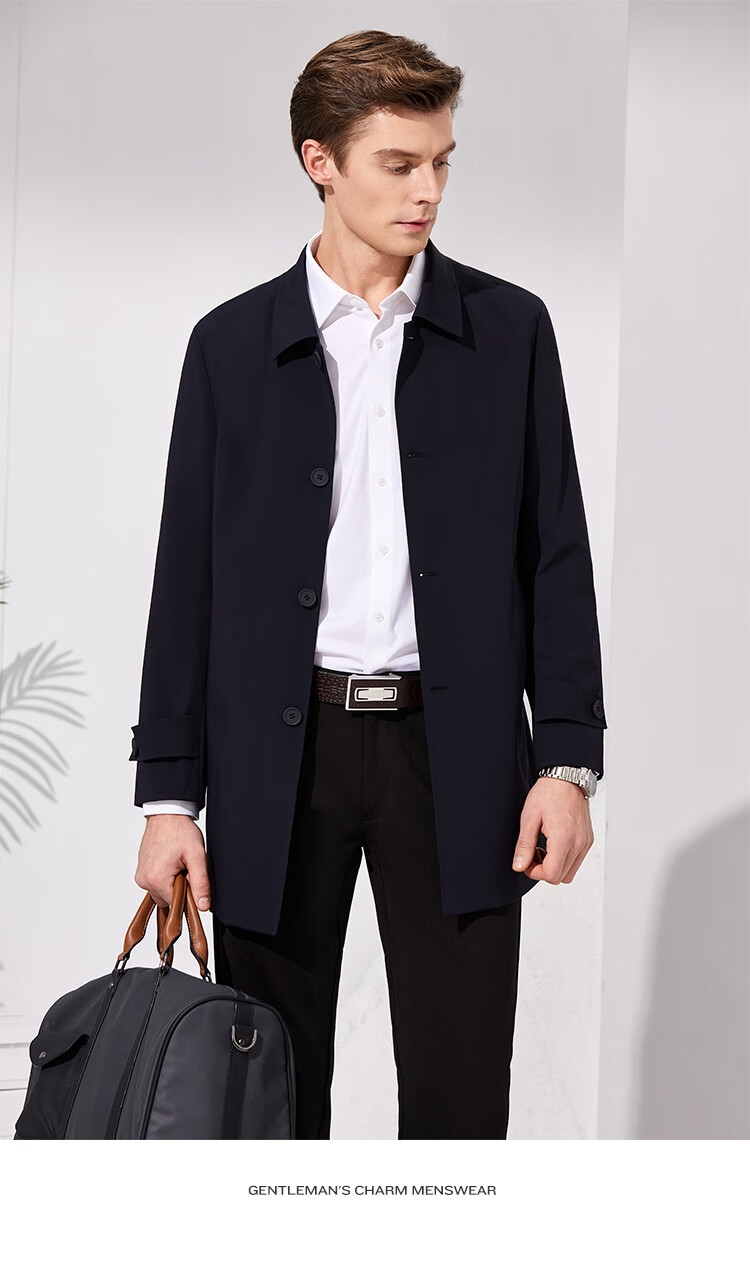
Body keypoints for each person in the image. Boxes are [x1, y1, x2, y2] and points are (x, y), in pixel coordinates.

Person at [130, 29, 607, 1140]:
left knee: (460, 1092)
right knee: (270, 1089)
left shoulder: (509, 332)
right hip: (278, 761)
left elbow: (557, 555)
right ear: (321, 162)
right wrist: (168, 801)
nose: (428, 189)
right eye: (399, 163)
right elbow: (185, 580)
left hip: (459, 757)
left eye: (442, 161)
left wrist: (567, 762)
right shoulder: (230, 346)